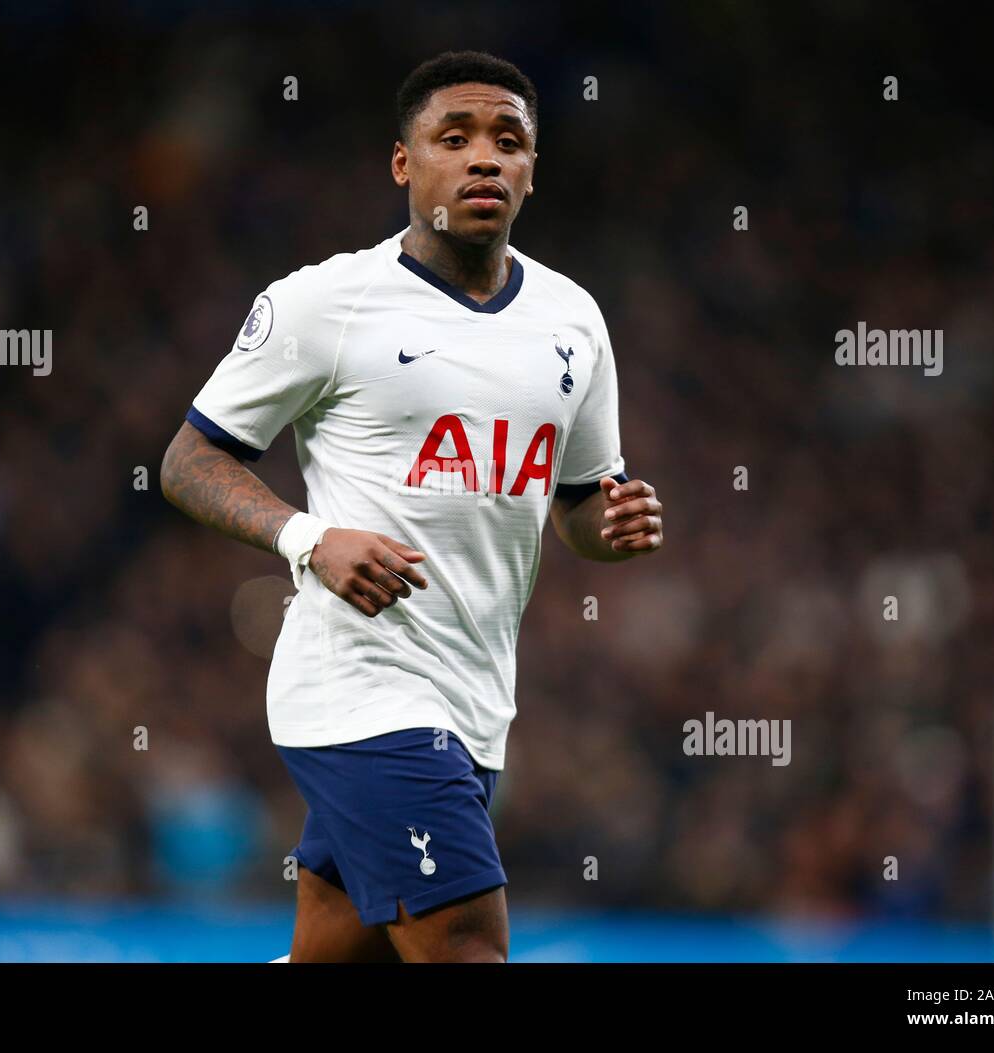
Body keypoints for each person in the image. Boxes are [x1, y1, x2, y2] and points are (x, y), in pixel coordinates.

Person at [161, 50, 664, 962]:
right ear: (405, 164)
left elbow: (584, 506)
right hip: (363, 692)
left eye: (508, 141)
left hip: (476, 700)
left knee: (337, 957)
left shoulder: (573, 321)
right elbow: (190, 460)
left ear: (531, 171)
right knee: (468, 944)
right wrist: (310, 539)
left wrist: (614, 529)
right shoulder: (326, 303)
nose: (484, 158)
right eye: (455, 137)